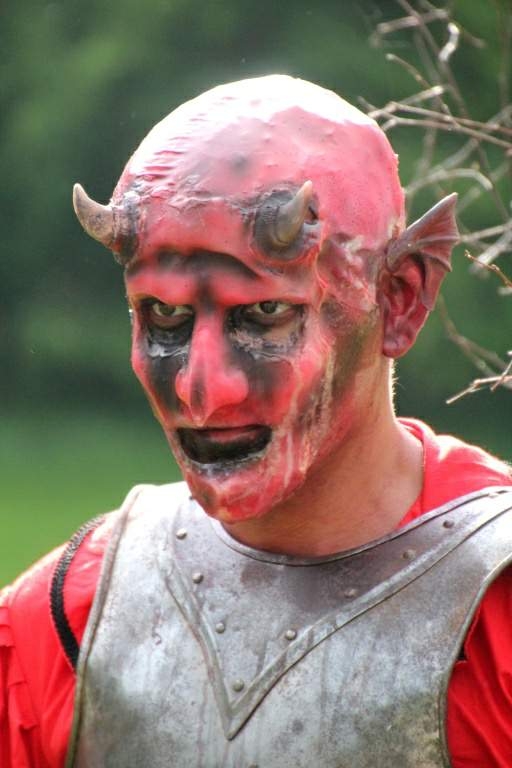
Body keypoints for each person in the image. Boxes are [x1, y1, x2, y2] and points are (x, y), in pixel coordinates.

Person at [1, 75, 511, 768]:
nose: (203, 390)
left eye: (265, 314)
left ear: (398, 298)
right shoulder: (68, 622)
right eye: (165, 317)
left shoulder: (497, 616)